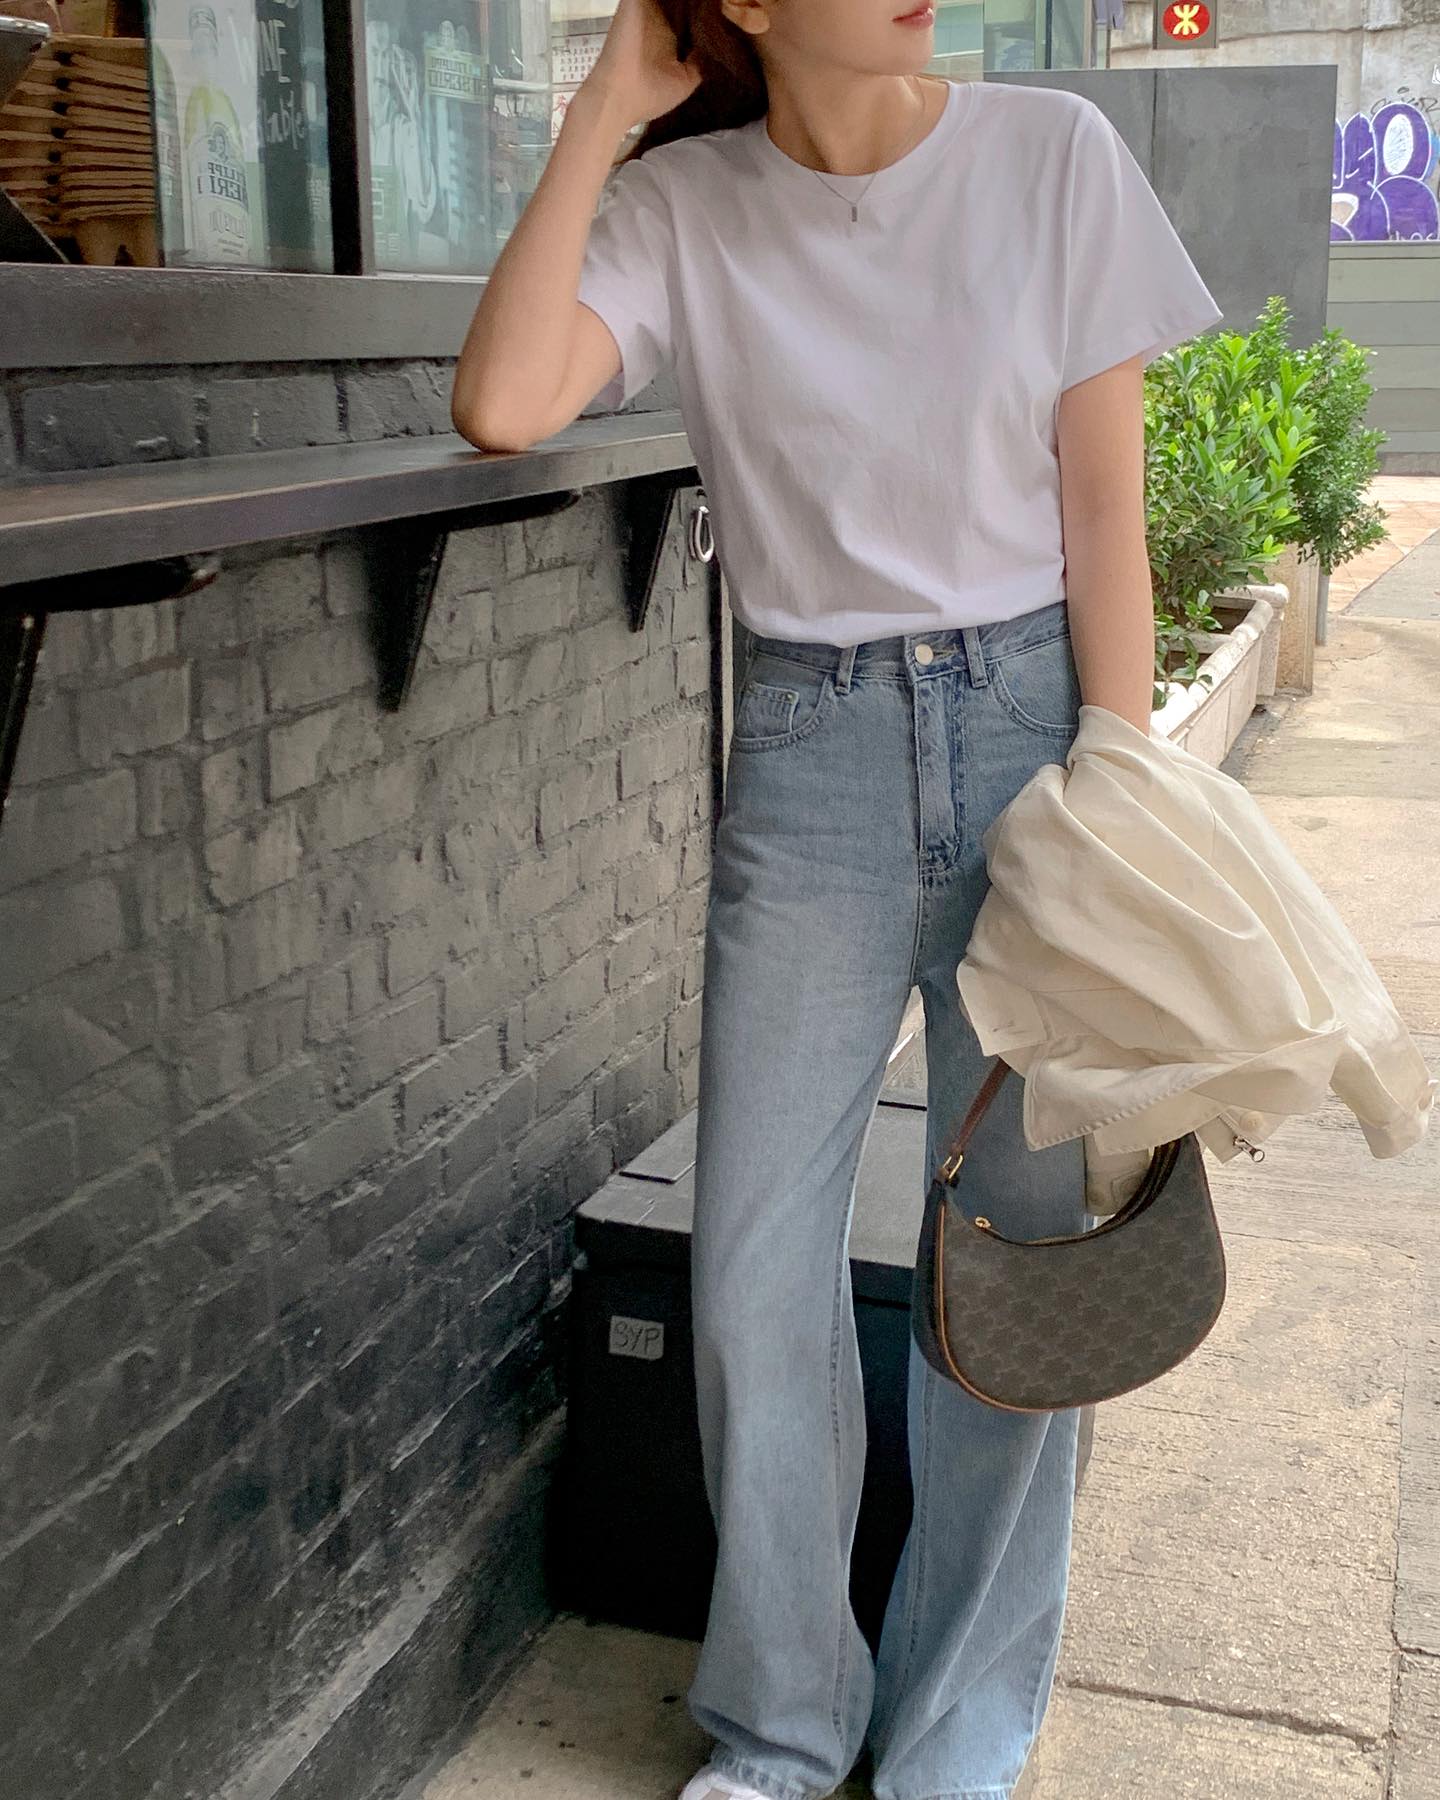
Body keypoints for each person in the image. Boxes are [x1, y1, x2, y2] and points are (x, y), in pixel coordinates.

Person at [451, 2, 1224, 1796]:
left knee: (1014, 1263)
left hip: (1034, 735)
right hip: (810, 760)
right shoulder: (685, 210)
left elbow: (1104, 521)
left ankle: (958, 1727)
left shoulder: (1050, 156)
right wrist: (607, 102)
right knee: (753, 1270)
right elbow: (501, 403)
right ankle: (784, 1726)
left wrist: (1118, 792)